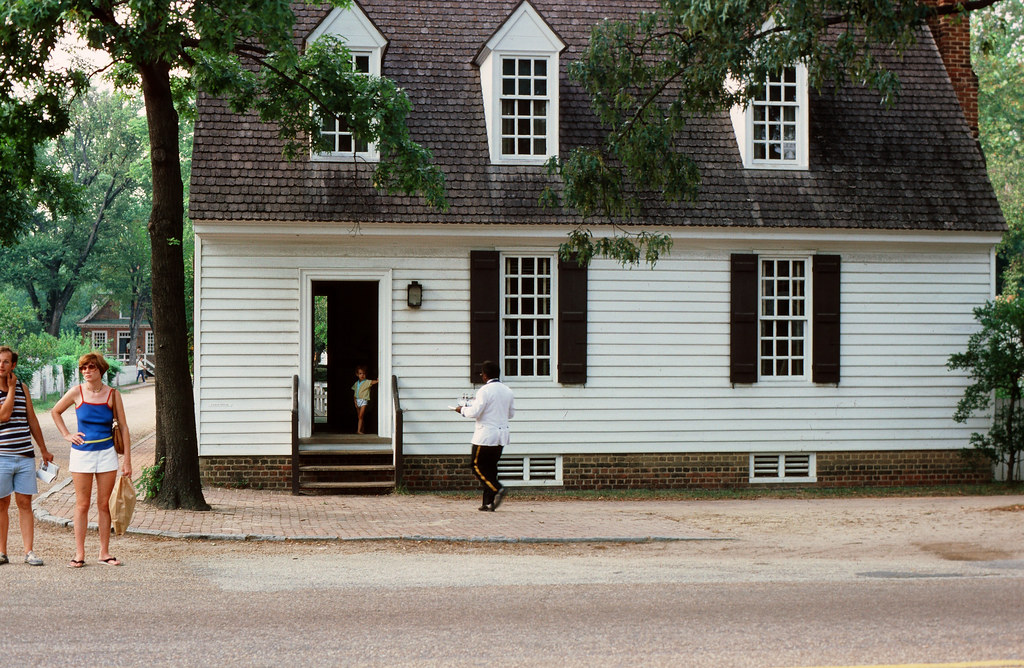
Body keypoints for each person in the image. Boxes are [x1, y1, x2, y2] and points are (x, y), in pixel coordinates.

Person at [51, 352, 131, 568]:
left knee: (104, 504)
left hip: (107, 454)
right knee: (82, 504)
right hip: (82, 454)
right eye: (83, 368)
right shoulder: (76, 392)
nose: (86, 371)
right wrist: (67, 435)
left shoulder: (113, 394)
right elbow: (55, 411)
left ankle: (104, 553)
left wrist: (127, 460)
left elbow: (124, 427)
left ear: (101, 370)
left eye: (91, 367)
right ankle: (79, 553)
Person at [0, 346, 54, 566]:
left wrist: (43, 449)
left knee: (25, 503)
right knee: (2, 504)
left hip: (24, 455)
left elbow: (32, 419)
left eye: (6, 362)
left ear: (13, 365)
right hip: (2, 455)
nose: (1, 365)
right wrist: (12, 388)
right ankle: (2, 552)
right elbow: (4, 415)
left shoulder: (23, 388)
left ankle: (29, 551)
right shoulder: (16, 387)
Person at [453, 360, 515, 511]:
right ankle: (488, 503)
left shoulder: (484, 390)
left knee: (476, 466)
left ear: (485, 375)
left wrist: (461, 410)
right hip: (501, 436)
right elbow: (511, 414)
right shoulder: (508, 390)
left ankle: (497, 488)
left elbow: (475, 412)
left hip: (485, 435)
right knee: (491, 468)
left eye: (482, 374)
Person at [351, 366, 379, 435]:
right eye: (360, 373)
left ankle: (358, 431)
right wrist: (355, 401)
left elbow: (372, 382)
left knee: (361, 416)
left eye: (363, 373)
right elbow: (355, 393)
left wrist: (378, 381)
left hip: (364, 400)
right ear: (357, 374)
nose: (362, 375)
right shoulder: (356, 383)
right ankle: (362, 429)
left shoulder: (367, 382)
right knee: (360, 417)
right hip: (357, 401)